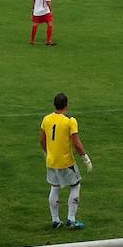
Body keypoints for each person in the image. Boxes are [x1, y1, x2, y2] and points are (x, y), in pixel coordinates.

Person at [40, 91, 92, 230]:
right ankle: (71, 219)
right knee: (75, 186)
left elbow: (42, 140)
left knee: (54, 187)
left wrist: (47, 152)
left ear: (54, 104)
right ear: (66, 105)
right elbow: (76, 143)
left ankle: (55, 220)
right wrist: (85, 157)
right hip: (66, 162)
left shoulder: (46, 119)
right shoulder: (70, 121)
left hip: (51, 161)